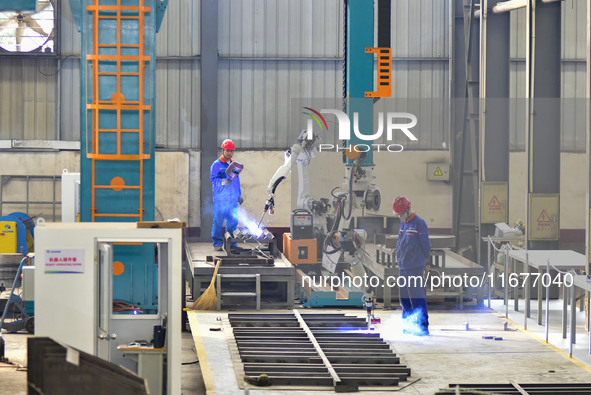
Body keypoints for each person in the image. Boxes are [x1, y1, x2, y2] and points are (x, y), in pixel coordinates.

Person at [393, 196, 431, 335]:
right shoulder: (403, 222)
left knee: (417, 298)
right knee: (404, 300)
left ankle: (422, 327)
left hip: (415, 267)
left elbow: (425, 244)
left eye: (402, 213)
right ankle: (409, 326)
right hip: (403, 267)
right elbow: (400, 242)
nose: (400, 216)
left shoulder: (419, 223)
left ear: (408, 209)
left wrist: (427, 261)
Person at [210, 139, 243, 251]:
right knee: (218, 221)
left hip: (232, 199)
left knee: (233, 222)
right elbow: (213, 180)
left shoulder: (235, 165)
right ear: (223, 150)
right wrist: (224, 181)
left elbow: (236, 181)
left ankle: (231, 244)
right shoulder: (216, 165)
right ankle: (217, 244)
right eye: (227, 150)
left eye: (231, 151)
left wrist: (239, 195)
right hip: (221, 199)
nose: (229, 152)